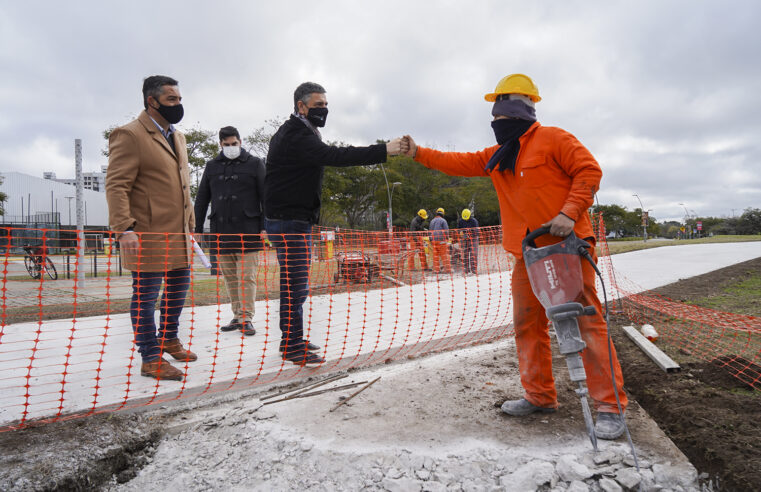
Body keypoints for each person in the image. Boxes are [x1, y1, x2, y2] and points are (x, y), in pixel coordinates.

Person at [402, 73, 628, 440]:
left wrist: (569, 212)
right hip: (527, 254)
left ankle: (609, 406)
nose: (496, 124)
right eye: (494, 119)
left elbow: (588, 171)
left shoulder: (554, 138)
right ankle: (539, 396)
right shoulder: (498, 156)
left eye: (502, 117)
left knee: (586, 322)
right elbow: (456, 161)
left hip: (569, 247)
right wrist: (417, 152)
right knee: (527, 322)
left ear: (520, 113)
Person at [265, 81, 406, 366]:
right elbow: (334, 156)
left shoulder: (300, 130)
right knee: (296, 285)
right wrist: (384, 150)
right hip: (290, 222)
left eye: (326, 105)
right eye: (318, 105)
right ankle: (292, 345)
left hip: (291, 219)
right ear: (301, 106)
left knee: (294, 284)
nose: (324, 110)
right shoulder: (296, 135)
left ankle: (290, 339)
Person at [106, 75, 197, 382]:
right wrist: (124, 229)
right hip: (146, 234)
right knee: (146, 298)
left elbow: (184, 187)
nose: (178, 105)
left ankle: (169, 339)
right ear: (151, 101)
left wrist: (191, 225)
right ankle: (149, 356)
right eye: (172, 100)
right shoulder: (130, 135)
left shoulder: (178, 137)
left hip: (179, 234)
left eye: (180, 99)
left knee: (177, 290)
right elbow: (117, 185)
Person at [194, 126, 265, 337]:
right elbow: (201, 199)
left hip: (249, 230)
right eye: (227, 145)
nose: (231, 147)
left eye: (234, 144)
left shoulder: (255, 164)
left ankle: (247, 317)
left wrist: (265, 226)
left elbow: (265, 197)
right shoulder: (212, 166)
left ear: (240, 142)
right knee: (230, 277)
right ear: (220, 145)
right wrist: (197, 227)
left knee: (247, 276)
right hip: (221, 231)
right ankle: (237, 315)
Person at [429, 207, 452, 274]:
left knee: (435, 256)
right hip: (441, 240)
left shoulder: (432, 221)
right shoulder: (443, 221)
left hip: (434, 240)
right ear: (443, 214)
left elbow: (430, 231)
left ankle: (436, 270)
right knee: (444, 255)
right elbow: (446, 230)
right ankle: (447, 269)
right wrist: (447, 238)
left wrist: (431, 239)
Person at [457, 209, 479, 274]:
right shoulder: (461, 221)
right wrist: (461, 234)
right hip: (465, 240)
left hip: (474, 239)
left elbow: (476, 231)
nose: (466, 220)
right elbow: (459, 229)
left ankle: (474, 269)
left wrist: (469, 235)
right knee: (465, 254)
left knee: (473, 254)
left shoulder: (474, 221)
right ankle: (466, 269)